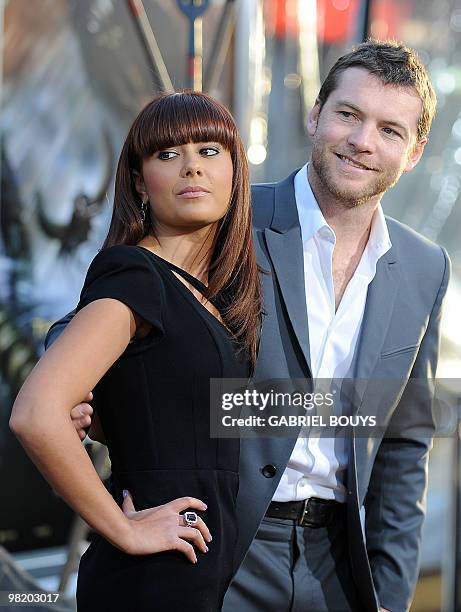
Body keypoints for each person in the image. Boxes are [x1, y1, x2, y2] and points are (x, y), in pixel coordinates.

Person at [56, 40, 448, 612]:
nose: (363, 141)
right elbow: (96, 314)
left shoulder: (424, 266)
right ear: (316, 115)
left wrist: (388, 592)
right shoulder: (227, 216)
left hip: (340, 567)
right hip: (216, 546)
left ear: (413, 152)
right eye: (348, 115)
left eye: (390, 130)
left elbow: (404, 443)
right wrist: (80, 384)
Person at [10, 91, 262, 611]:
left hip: (204, 569)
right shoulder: (136, 274)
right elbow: (36, 414)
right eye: (168, 154)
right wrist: (123, 529)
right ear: (138, 181)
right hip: (154, 577)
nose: (192, 167)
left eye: (210, 151)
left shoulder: (211, 292)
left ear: (237, 170)